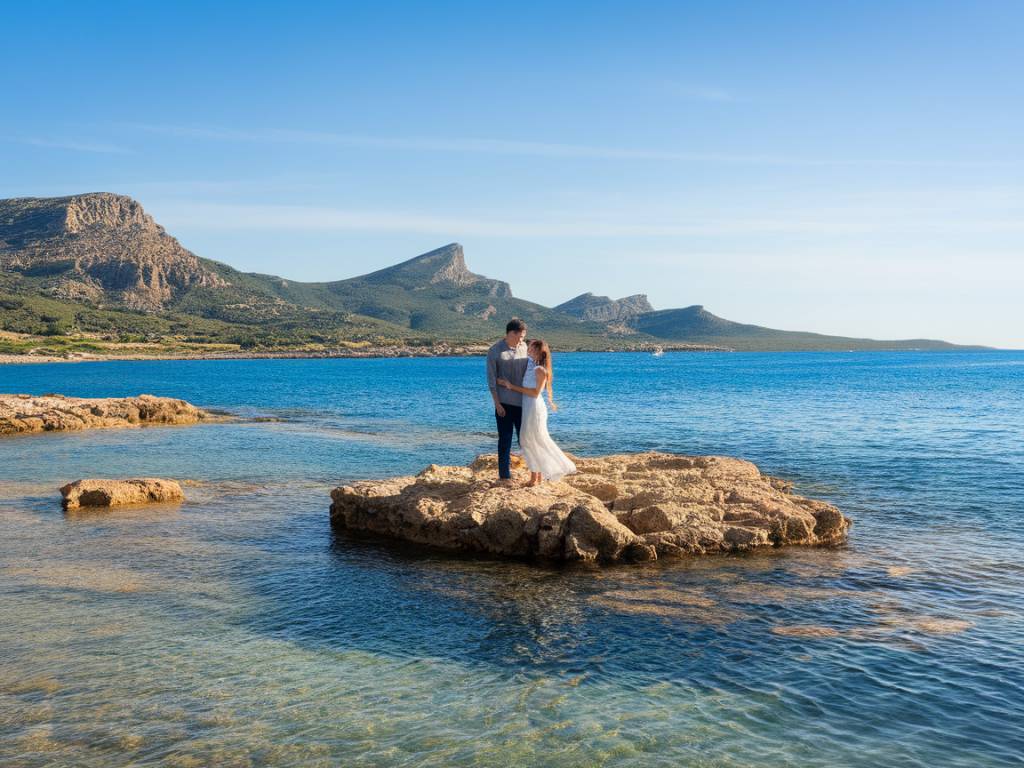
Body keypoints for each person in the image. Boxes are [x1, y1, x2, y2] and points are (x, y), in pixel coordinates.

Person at [497, 339, 576, 486]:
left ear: (539, 353)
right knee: (530, 440)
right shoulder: (532, 365)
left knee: (532, 441)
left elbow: (535, 392)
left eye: (532, 349)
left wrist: (510, 386)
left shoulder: (539, 370)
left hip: (534, 406)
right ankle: (537, 477)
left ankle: (539, 476)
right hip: (528, 406)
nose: (528, 350)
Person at [486, 318, 529, 483]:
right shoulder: (495, 351)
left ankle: (533, 472)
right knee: (505, 439)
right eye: (520, 336)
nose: (522, 340)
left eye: (524, 337)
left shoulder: (525, 348)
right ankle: (504, 475)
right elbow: (491, 380)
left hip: (524, 403)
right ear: (511, 333)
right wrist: (497, 403)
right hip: (503, 403)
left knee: (524, 439)